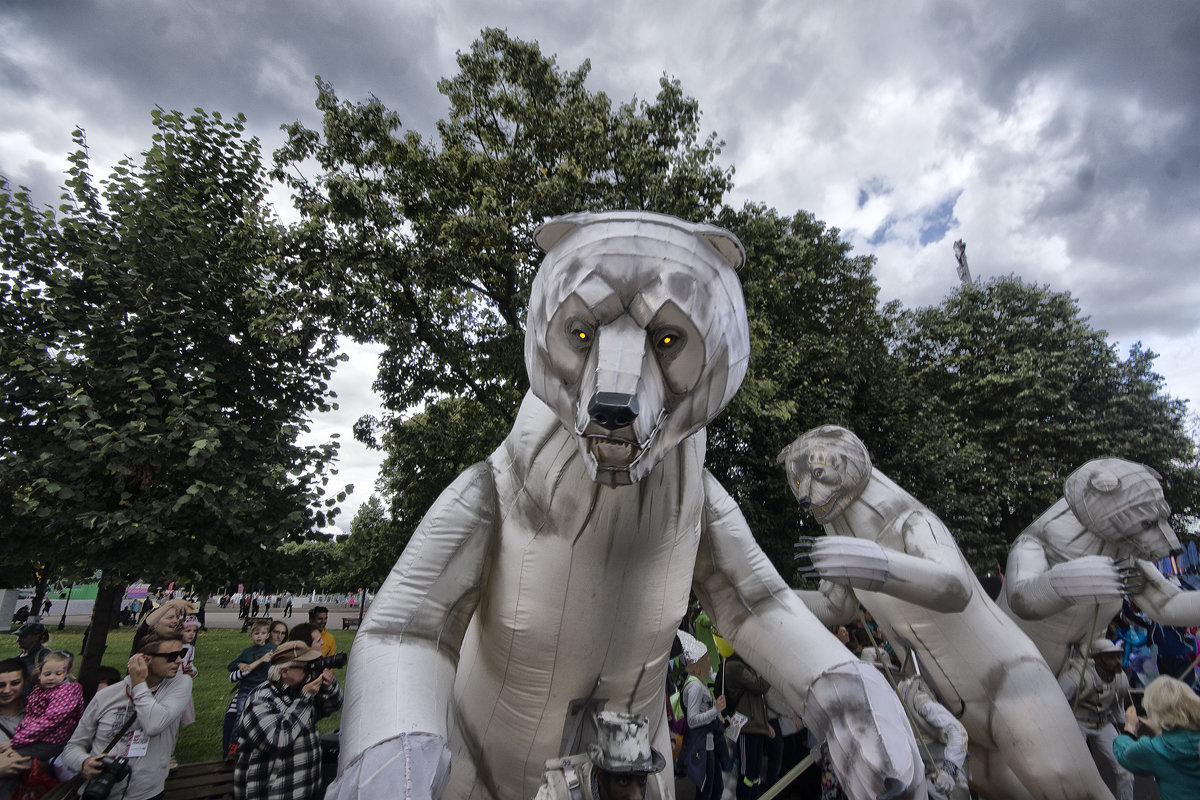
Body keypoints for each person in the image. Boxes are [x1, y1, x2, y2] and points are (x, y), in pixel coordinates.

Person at [60, 633, 193, 800]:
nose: (179, 661)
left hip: (146, 794)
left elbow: (153, 724)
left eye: (181, 654)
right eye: (172, 656)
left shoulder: (179, 685)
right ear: (145, 659)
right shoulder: (106, 696)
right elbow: (72, 748)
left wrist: (138, 684)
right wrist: (84, 762)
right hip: (101, 792)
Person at [232, 641, 343, 800]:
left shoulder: (298, 691)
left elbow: (332, 706)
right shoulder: (260, 699)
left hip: (305, 790)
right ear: (284, 672)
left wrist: (329, 686)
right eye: (306, 666)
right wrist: (305, 698)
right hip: (270, 793)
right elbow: (277, 739)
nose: (311, 670)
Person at [1057, 638, 1134, 800]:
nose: (1117, 662)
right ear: (1097, 659)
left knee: (1126, 769)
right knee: (1076, 771)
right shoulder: (1077, 677)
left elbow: (1118, 707)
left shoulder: (1121, 679)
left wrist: (1129, 729)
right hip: (1078, 723)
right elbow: (1057, 703)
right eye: (1110, 658)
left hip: (1103, 723)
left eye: (1118, 657)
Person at [534, 710, 666, 800]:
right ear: (601, 777)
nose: (637, 796)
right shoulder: (556, 793)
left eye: (642, 781)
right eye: (624, 781)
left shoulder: (656, 789)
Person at [1113, 675, 1200, 799]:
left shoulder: (1155, 749)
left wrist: (1130, 727)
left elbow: (1124, 754)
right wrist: (1161, 730)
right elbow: (1184, 740)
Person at [894, 675, 969, 800]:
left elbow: (957, 731)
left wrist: (948, 771)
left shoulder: (917, 700)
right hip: (918, 779)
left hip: (943, 778)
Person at [8, 650, 84, 764]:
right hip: (34, 737)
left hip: (52, 741)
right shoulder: (41, 690)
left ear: (67, 674)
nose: (51, 678)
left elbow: (50, 720)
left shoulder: (67, 692)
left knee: (10, 757)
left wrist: (17, 740)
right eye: (47, 674)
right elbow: (31, 714)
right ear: (40, 674)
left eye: (58, 674)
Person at [675, 632, 725, 800]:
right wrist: (715, 710)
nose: (709, 660)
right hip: (702, 745)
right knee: (707, 790)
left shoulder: (697, 681)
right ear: (698, 663)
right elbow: (692, 720)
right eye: (706, 657)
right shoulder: (695, 687)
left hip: (707, 743)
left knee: (715, 787)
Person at [722, 652, 773, 800]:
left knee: (754, 773)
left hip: (756, 725)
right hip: (746, 726)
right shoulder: (735, 666)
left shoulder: (746, 666)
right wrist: (769, 673)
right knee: (747, 772)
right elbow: (758, 686)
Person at [223, 619, 276, 758]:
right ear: (250, 636)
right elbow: (230, 666)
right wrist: (240, 664)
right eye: (256, 633)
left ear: (267, 635)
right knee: (240, 715)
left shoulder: (272, 649)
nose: (259, 636)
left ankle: (259, 745)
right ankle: (234, 745)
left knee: (262, 716)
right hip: (246, 687)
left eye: (263, 633)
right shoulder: (247, 652)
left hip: (264, 688)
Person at [0, 659, 31, 800]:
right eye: (1, 685)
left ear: (24, 681)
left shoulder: (40, 713)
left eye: (15, 683)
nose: (7, 690)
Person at [8, 623, 50, 693]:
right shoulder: (17, 658)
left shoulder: (44, 655)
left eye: (22, 637)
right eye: (18, 637)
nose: (17, 640)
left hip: (34, 700)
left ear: (36, 637)